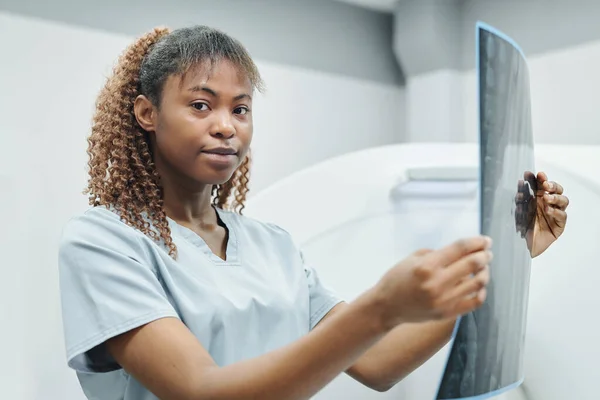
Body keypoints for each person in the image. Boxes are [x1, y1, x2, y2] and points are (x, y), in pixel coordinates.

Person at [58, 25, 570, 400]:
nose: (226, 126)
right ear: (147, 113)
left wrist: (510, 258)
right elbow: (201, 390)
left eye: (240, 109)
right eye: (200, 105)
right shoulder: (104, 242)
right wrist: (381, 308)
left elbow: (378, 363)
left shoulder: (271, 244)